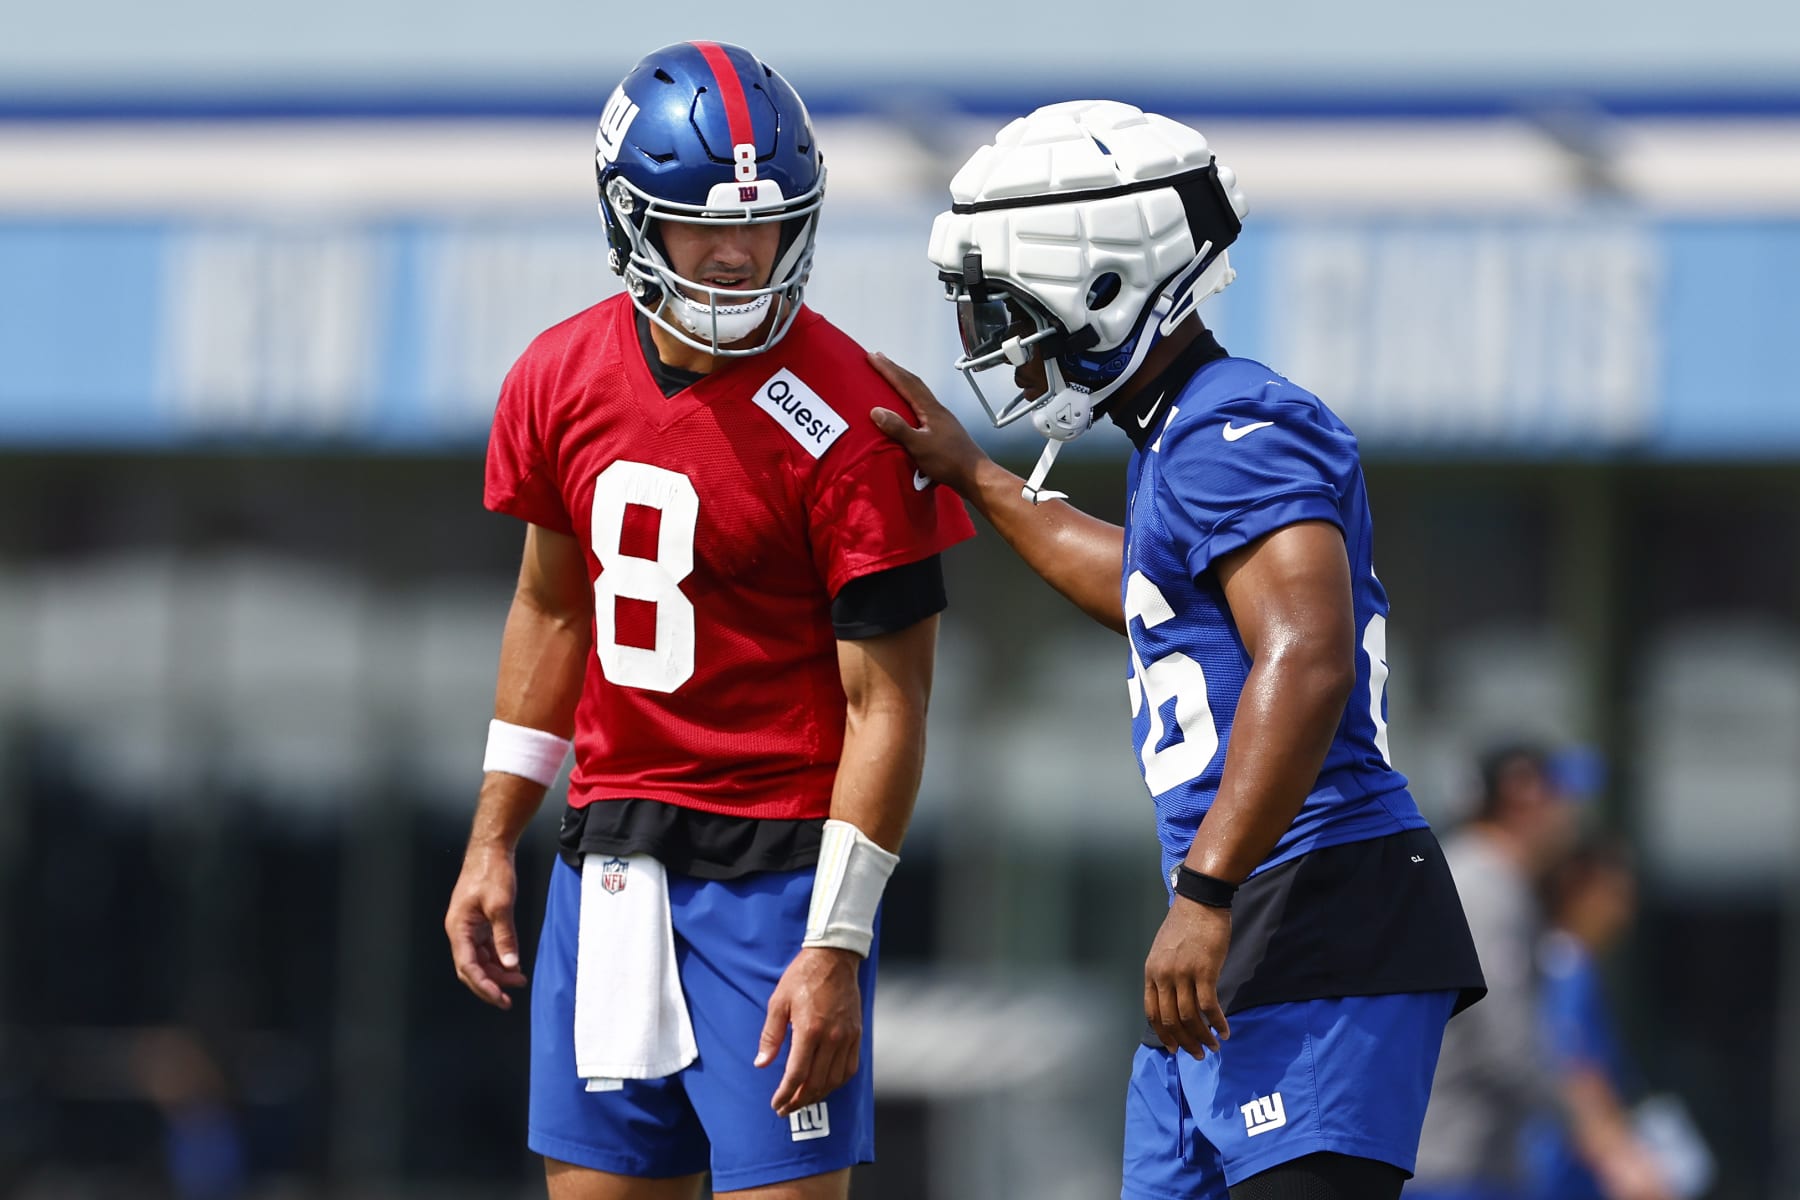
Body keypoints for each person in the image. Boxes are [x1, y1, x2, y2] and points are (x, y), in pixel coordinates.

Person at [868, 99, 1485, 1200]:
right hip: (1255, 905)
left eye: (1006, 310)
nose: (998, 345)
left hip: (1314, 906)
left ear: (1101, 282)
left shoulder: (1233, 428)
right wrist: (976, 479)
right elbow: (1148, 593)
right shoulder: (1182, 435)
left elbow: (1308, 656)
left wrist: (1204, 896)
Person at [442, 41, 974, 1200]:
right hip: (610, 859)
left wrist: (835, 937)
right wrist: (496, 835)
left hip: (777, 869)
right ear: (632, 218)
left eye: (767, 223)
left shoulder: (850, 414)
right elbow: (550, 607)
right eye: (701, 224)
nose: (739, 254)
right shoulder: (558, 374)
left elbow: (890, 705)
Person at [1410, 744, 1580, 1200]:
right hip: (1451, 1163)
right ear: (1523, 799)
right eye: (1563, 796)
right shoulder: (1483, 883)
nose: (1572, 815)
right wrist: (1597, 1130)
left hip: (1455, 1156)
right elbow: (1506, 1044)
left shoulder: (1477, 873)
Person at [1526, 838, 1678, 1200]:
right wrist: (1624, 1160)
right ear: (1578, 891)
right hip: (1558, 1169)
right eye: (1615, 895)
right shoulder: (1566, 963)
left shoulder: (1561, 961)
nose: (1625, 912)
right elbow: (1572, 1071)